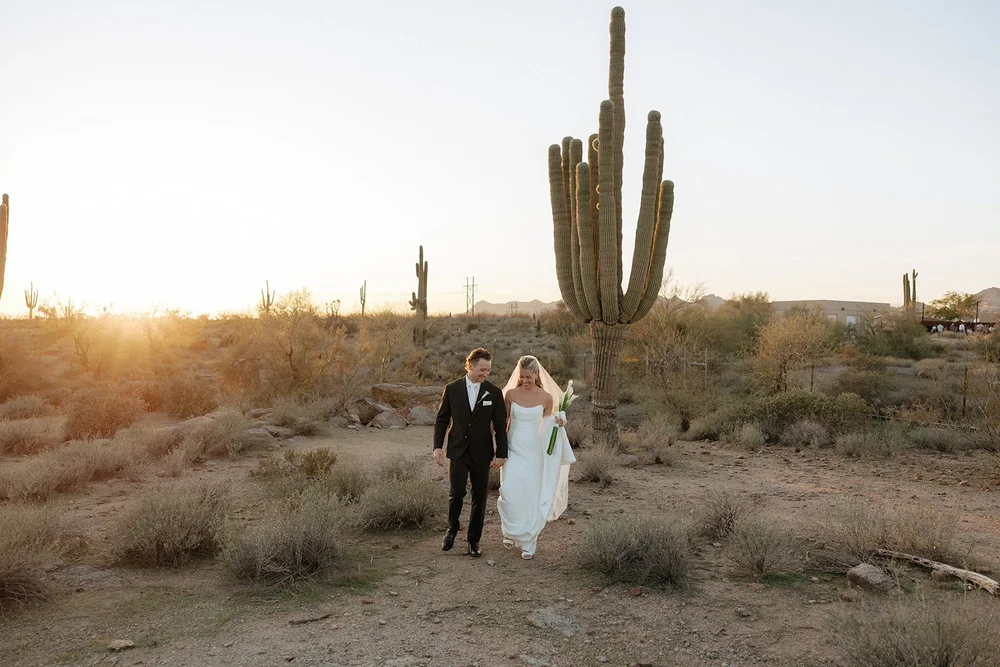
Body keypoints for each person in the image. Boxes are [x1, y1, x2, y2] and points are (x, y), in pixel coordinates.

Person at [497, 355, 576, 560]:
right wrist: (499, 449)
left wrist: (559, 422)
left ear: (536, 374)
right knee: (510, 491)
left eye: (528, 377)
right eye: (522, 376)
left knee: (531, 495)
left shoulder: (546, 398)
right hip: (513, 447)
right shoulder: (511, 395)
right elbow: (503, 423)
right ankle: (511, 532)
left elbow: (547, 426)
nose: (524, 380)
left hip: (534, 450)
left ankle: (529, 541)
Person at [433, 347, 508, 558]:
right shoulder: (452, 389)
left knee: (479, 497)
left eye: (488, 370)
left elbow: (500, 425)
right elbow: (442, 419)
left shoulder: (494, 392)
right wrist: (437, 446)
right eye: (482, 369)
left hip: (482, 452)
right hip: (457, 450)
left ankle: (473, 541)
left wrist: (501, 452)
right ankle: (452, 529)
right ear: (470, 366)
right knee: (456, 492)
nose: (486, 374)